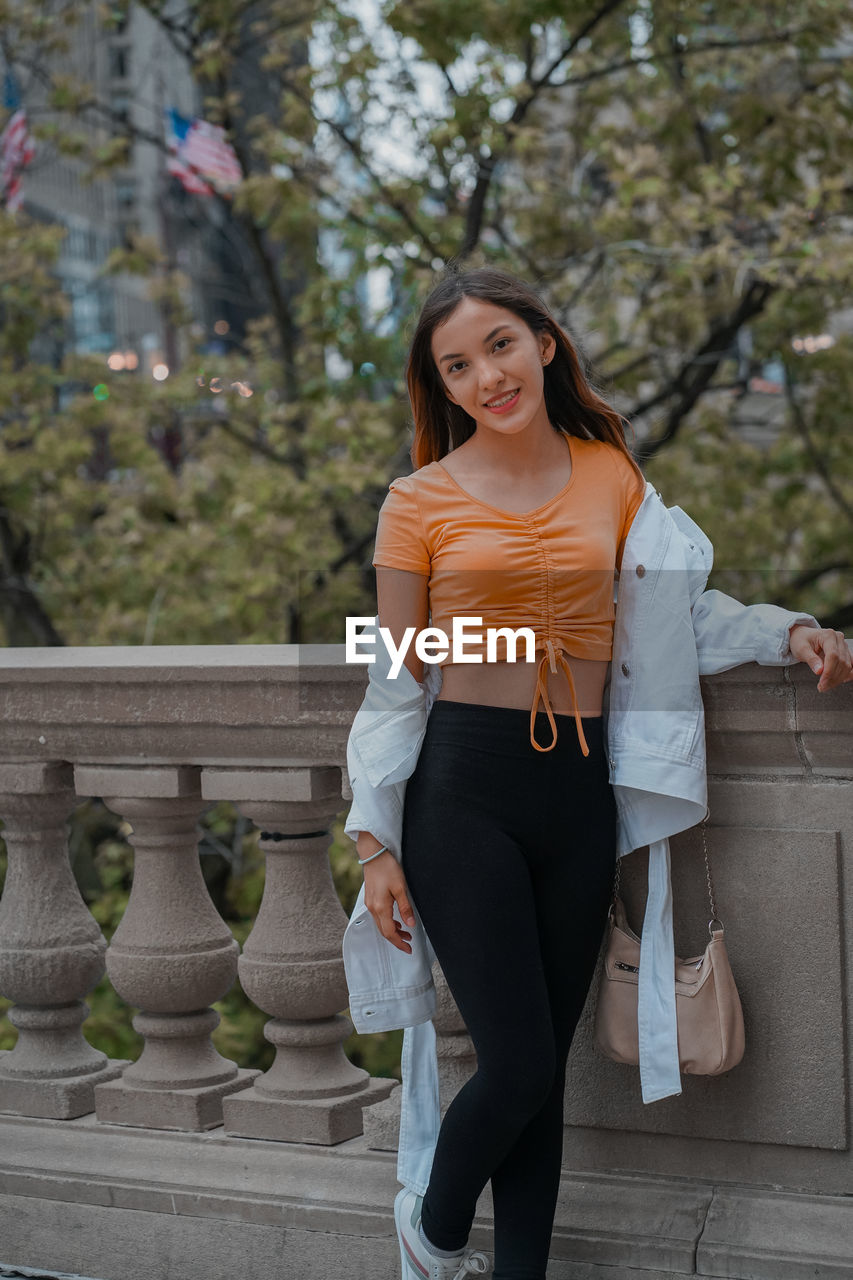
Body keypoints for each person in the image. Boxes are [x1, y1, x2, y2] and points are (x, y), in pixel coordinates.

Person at [345, 267, 852, 1280]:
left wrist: (784, 629)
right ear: (440, 387)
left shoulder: (610, 475)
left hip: (575, 794)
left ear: (541, 341)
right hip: (463, 793)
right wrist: (372, 840)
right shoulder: (417, 503)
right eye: (456, 364)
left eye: (498, 345)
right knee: (522, 1061)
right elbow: (396, 680)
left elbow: (676, 614)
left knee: (542, 1082)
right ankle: (434, 1225)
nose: (485, 374)